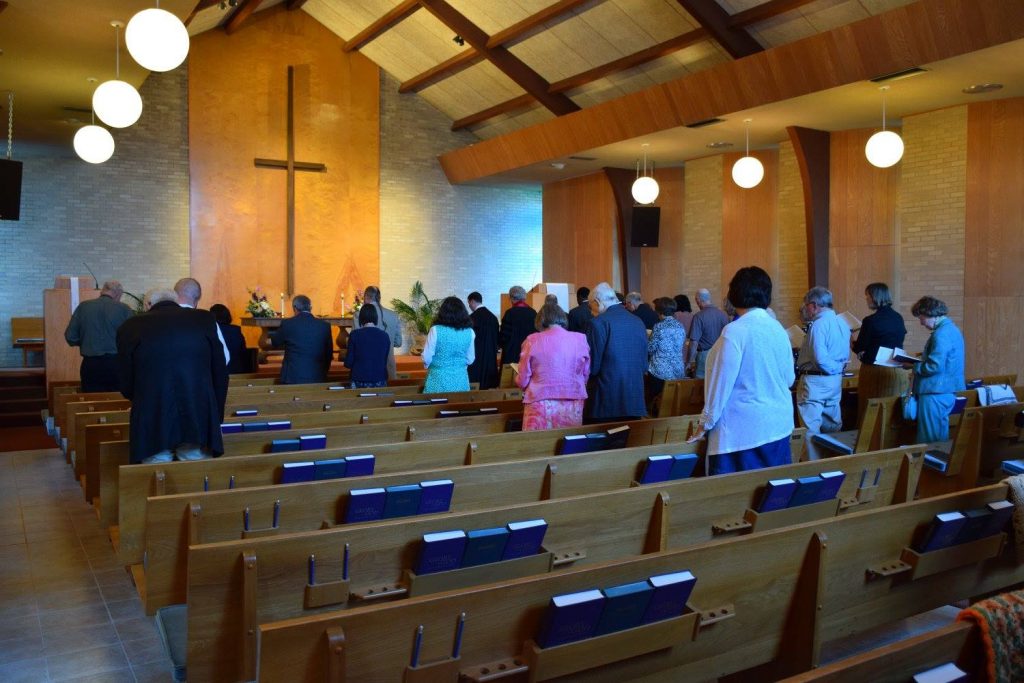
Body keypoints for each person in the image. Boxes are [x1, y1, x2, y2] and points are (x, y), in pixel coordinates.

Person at [690, 267, 795, 474]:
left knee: (734, 497)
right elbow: (789, 379)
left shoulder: (735, 331)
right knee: (770, 495)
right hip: (778, 425)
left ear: (735, 293)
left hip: (743, 432)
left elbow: (720, 385)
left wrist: (704, 424)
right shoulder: (778, 329)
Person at [116, 288, 228, 464]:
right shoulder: (204, 319)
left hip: (153, 413)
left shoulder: (130, 326)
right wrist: (215, 414)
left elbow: (126, 380)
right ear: (176, 301)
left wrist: (138, 399)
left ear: (148, 304)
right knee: (194, 474)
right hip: (197, 410)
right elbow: (220, 372)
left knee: (156, 473)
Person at [516, 303, 590, 430]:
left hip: (539, 400)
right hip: (572, 399)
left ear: (541, 320)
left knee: (537, 444)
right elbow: (585, 372)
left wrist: (518, 381)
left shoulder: (532, 340)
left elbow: (523, 379)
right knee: (568, 443)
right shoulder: (580, 339)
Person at [796, 287, 852, 448]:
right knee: (832, 426)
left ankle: (812, 468)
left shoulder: (819, 325)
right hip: (835, 381)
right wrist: (837, 369)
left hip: (815, 381)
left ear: (813, 305)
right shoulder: (842, 323)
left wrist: (832, 368)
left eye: (806, 305)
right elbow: (843, 355)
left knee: (809, 429)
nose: (806, 309)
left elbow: (820, 359)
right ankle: (832, 464)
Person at [906, 296, 965, 444]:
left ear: (929, 313)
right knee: (939, 437)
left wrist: (913, 365)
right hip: (946, 390)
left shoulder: (941, 334)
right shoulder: (952, 329)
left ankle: (928, 466)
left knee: (928, 439)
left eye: (921, 318)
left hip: (934, 391)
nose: (921, 323)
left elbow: (934, 366)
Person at [585, 282, 648, 421]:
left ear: (597, 301)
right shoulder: (638, 321)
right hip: (634, 398)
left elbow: (593, 367)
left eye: (591, 306)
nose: (591, 311)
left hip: (606, 400)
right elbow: (644, 364)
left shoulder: (598, 323)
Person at [851, 282, 909, 424]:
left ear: (874, 297)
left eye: (867, 296)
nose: (866, 299)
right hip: (897, 371)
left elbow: (859, 347)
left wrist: (849, 336)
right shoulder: (898, 317)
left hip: (875, 372)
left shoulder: (871, 321)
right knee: (892, 414)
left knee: (870, 413)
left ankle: (870, 443)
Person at [64, 280, 134, 392]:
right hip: (117, 364)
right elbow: (132, 337)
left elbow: (70, 337)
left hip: (91, 365)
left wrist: (88, 341)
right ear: (117, 293)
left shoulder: (83, 307)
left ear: (103, 291)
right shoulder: (124, 309)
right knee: (117, 402)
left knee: (91, 402)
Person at [270, 295, 333, 384]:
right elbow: (329, 354)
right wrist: (323, 372)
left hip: (292, 376)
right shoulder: (324, 326)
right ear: (310, 307)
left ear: (294, 308)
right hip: (317, 376)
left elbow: (275, 342)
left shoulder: (287, 324)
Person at [423, 296, 475, 393]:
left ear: (443, 312)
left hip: (438, 379)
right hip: (460, 379)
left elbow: (426, 357)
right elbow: (470, 359)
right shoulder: (469, 332)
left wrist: (431, 366)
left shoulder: (435, 330)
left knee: (435, 406)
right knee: (459, 406)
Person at [175, 278, 230, 366]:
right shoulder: (208, 320)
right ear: (197, 300)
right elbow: (224, 358)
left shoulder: (158, 318)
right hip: (199, 377)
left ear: (174, 295)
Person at [353, 285, 403, 379]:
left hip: (365, 368)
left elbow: (355, 341)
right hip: (388, 367)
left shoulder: (359, 315)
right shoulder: (393, 315)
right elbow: (398, 342)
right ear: (379, 298)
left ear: (366, 297)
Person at [646, 297, 687, 409]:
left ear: (659, 311)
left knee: (656, 403)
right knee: (672, 404)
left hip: (660, 370)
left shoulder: (659, 326)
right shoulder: (680, 326)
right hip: (677, 369)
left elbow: (651, 348)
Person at [686, 289, 730, 378]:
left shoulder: (699, 316)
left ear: (698, 301)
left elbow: (694, 343)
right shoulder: (724, 315)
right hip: (721, 354)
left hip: (704, 356)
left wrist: (689, 362)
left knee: (701, 386)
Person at [344, 304, 391, 388]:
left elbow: (348, 363)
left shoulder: (355, 335)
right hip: (379, 379)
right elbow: (384, 359)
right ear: (375, 317)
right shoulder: (385, 336)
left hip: (359, 380)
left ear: (361, 317)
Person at [467, 291, 499, 389]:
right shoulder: (493, 318)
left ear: (472, 301)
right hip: (490, 358)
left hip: (476, 358)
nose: (469, 306)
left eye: (469, 303)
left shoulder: (471, 318)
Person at [499, 285, 536, 365]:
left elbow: (504, 337)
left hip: (511, 355)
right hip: (529, 353)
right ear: (524, 298)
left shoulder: (509, 313)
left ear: (512, 298)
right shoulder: (533, 313)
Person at [210, 303, 251, 374]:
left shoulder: (211, 331)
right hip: (237, 369)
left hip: (218, 372)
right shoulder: (236, 330)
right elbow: (243, 350)